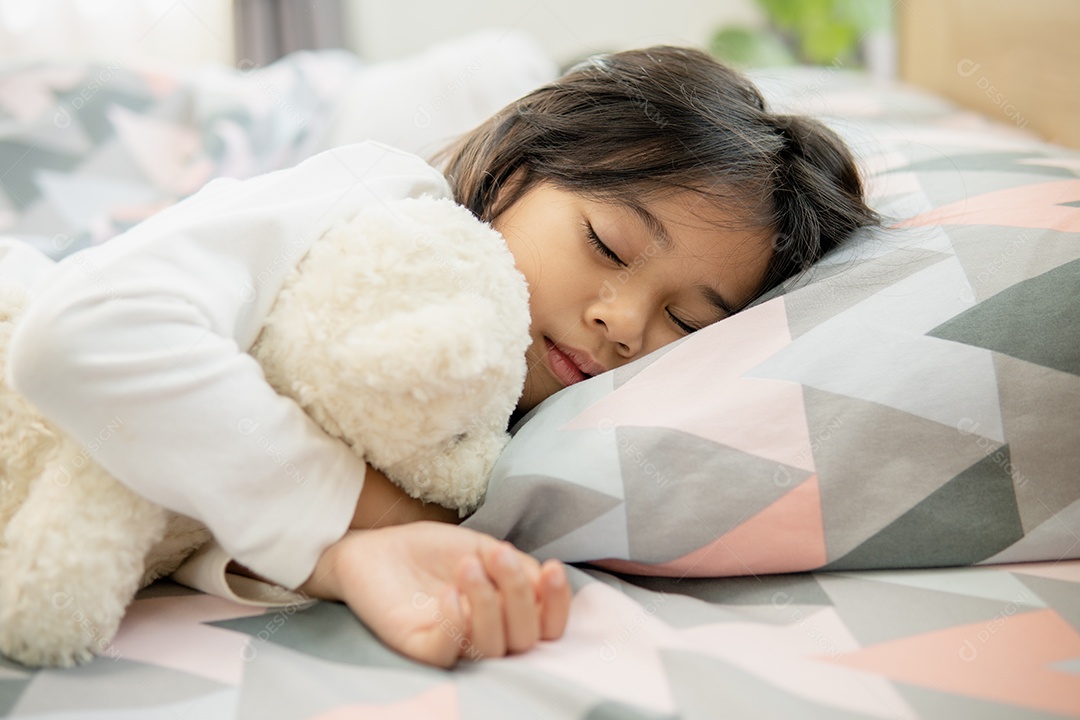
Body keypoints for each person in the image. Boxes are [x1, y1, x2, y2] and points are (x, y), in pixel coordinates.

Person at [5, 47, 876, 667]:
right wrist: (370, 521)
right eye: (607, 246)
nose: (621, 323)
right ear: (517, 170)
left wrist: (339, 559)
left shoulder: (504, 447)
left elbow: (175, 501)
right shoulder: (381, 202)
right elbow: (83, 338)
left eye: (685, 320)